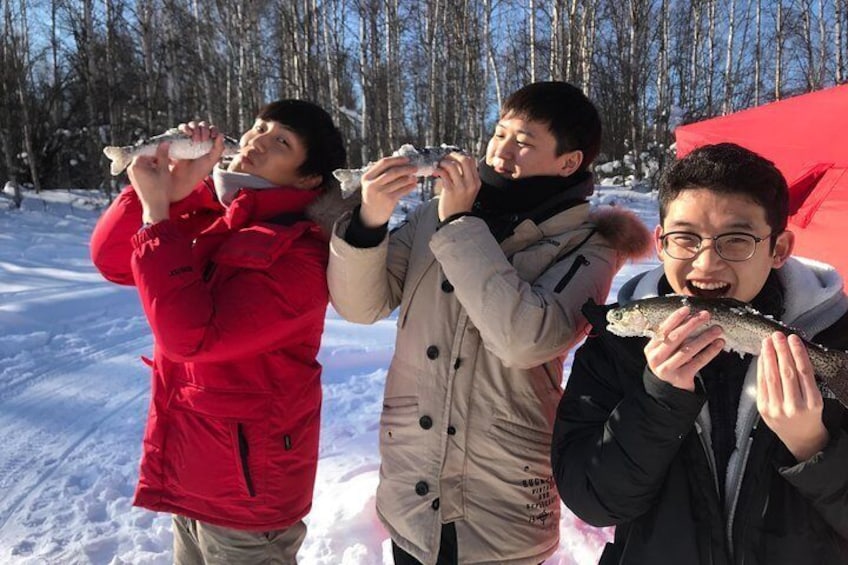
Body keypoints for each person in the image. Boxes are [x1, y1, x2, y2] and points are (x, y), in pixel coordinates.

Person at [327, 81, 652, 564]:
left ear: (569, 161)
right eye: (498, 133)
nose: (501, 150)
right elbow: (359, 306)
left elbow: (527, 340)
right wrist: (369, 221)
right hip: (411, 488)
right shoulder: (433, 216)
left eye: (523, 140)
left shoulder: (590, 245)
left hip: (499, 499)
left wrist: (459, 227)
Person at [552, 143, 848, 564]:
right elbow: (593, 501)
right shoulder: (615, 347)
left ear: (778, 247)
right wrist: (657, 401)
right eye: (685, 238)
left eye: (737, 240)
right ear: (660, 242)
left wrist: (812, 445)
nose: (705, 263)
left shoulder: (837, 339)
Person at [90, 99, 348, 564]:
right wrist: (174, 191)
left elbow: (191, 339)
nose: (256, 141)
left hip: (248, 496)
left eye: (281, 141)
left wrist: (157, 215)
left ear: (309, 178)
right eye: (259, 127)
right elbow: (111, 261)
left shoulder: (301, 253)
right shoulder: (217, 217)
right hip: (194, 467)